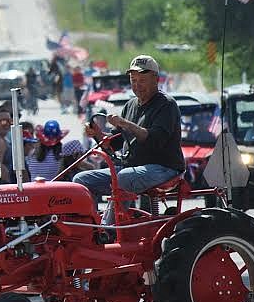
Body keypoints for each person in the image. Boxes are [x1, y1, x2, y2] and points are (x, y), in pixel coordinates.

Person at [73, 55, 184, 222]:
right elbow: (115, 142)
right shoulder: (130, 105)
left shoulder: (166, 105)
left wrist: (126, 124)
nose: (137, 85)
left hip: (163, 168)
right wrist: (96, 134)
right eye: (133, 80)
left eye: (142, 80)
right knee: (80, 180)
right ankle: (91, 226)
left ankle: (109, 229)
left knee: (124, 177)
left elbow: (155, 140)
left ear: (155, 79)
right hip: (131, 167)